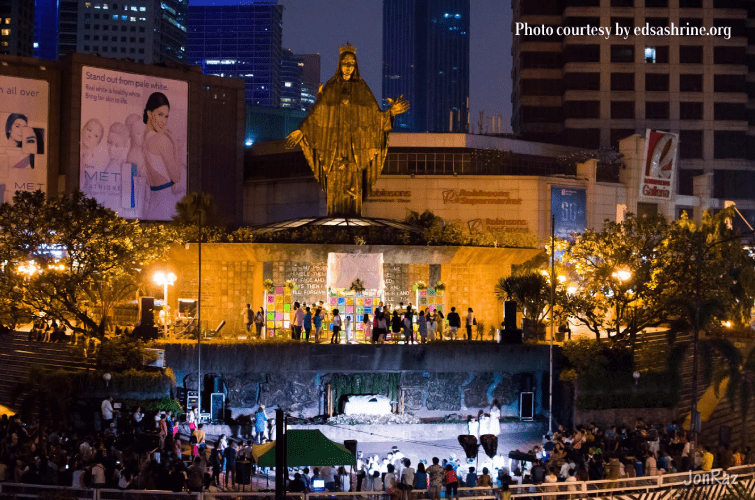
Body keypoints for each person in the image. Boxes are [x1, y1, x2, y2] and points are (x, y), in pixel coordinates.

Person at [285, 44, 409, 216]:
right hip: (334, 147)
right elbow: (318, 114)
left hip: (355, 149)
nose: (348, 67)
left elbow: (375, 117)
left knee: (353, 184)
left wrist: (391, 112)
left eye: (351, 63)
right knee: (335, 182)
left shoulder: (361, 88)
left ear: (355, 66)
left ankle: (352, 217)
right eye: (345, 63)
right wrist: (302, 131)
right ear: (340, 65)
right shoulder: (331, 86)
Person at [142, 91, 185, 219]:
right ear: (150, 113)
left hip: (154, 201)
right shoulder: (161, 139)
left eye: (166, 116)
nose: (163, 121)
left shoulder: (145, 138)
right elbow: (176, 176)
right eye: (160, 114)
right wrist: (175, 145)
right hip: (166, 202)